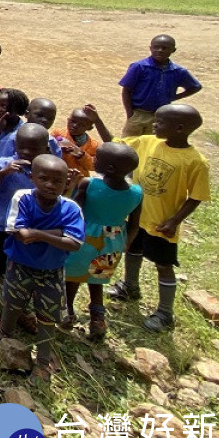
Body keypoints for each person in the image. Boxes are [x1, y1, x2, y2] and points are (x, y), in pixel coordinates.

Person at [87, 103, 210, 332]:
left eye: (160, 122)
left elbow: (196, 196)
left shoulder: (195, 161)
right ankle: (130, 286)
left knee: (163, 265)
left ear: (180, 128)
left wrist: (174, 221)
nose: (154, 125)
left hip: (162, 224)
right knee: (132, 250)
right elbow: (115, 146)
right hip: (137, 217)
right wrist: (97, 120)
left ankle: (165, 313)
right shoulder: (148, 142)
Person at [0, 154, 83, 381]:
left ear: (67, 183)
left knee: (47, 313)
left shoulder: (71, 208)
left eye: (58, 181)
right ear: (32, 177)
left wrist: (38, 233)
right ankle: (3, 330)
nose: (50, 185)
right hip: (20, 265)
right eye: (44, 178)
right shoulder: (22, 198)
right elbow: (22, 234)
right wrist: (57, 233)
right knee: (13, 300)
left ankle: (43, 358)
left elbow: (74, 243)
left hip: (52, 270)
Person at [62, 142, 141, 339]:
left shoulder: (89, 184)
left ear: (110, 168)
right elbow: (134, 224)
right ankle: (98, 318)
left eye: (97, 158)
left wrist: (71, 187)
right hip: (113, 241)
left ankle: (67, 312)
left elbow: (75, 210)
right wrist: (126, 243)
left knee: (72, 277)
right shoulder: (137, 193)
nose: (93, 160)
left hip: (84, 238)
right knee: (96, 278)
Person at [0, 123, 52, 329]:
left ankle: (17, 308)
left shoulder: (46, 171)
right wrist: (3, 173)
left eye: (33, 148)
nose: (26, 152)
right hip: (1, 228)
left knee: (24, 272)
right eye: (22, 147)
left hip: (28, 234)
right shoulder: (4, 163)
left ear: (46, 149)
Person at [119, 35, 203, 137]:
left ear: (173, 50)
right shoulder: (140, 67)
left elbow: (195, 87)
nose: (160, 50)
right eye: (156, 47)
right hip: (139, 113)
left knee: (153, 145)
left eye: (165, 48)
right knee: (129, 142)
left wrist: (174, 97)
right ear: (150, 48)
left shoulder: (178, 71)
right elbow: (126, 90)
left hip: (161, 116)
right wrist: (130, 113)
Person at [53, 106, 100, 177]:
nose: (75, 126)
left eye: (81, 125)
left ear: (89, 128)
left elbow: (94, 166)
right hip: (56, 174)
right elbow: (47, 149)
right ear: (68, 120)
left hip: (78, 180)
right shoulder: (58, 134)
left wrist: (82, 156)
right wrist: (59, 150)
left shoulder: (93, 145)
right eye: (73, 121)